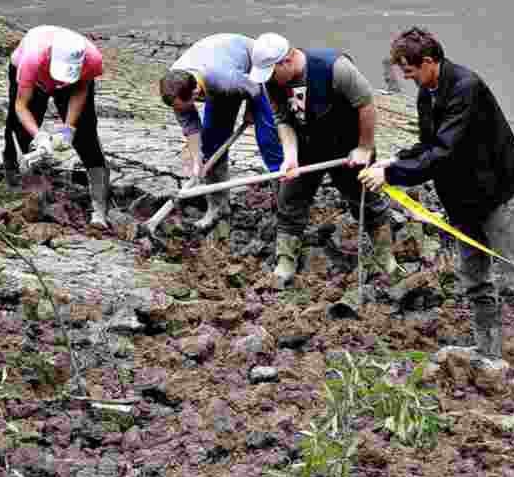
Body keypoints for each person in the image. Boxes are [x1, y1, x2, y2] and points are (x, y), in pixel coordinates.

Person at [358, 27, 514, 399]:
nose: (407, 79)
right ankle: (488, 351)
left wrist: (392, 175)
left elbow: (445, 151)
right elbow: (430, 144)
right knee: (475, 279)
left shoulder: (466, 88)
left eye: (410, 71)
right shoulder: (427, 93)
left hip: (497, 197)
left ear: (429, 61)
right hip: (461, 202)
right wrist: (400, 159)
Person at [248, 33, 400, 289]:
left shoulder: (335, 69)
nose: (269, 80)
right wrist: (291, 158)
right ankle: (285, 261)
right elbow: (283, 119)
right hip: (308, 144)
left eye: (272, 72)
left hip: (348, 148)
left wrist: (364, 147)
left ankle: (386, 257)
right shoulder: (273, 81)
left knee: (366, 199)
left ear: (286, 61)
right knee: (290, 199)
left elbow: (367, 105)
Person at [159, 33, 286, 230]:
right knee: (211, 147)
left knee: (269, 142)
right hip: (218, 64)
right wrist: (196, 162)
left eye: (184, 106)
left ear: (195, 93)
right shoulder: (173, 89)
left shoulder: (224, 80)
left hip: (252, 72)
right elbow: (191, 128)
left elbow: (255, 89)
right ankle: (218, 207)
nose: (181, 111)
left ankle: (285, 211)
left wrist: (250, 112)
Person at [5, 25, 110, 228]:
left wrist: (68, 129)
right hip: (35, 79)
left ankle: (99, 208)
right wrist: (40, 136)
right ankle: (23, 186)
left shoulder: (93, 60)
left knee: (86, 136)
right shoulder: (32, 59)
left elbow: (80, 90)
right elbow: (21, 105)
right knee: (21, 129)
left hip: (72, 83)